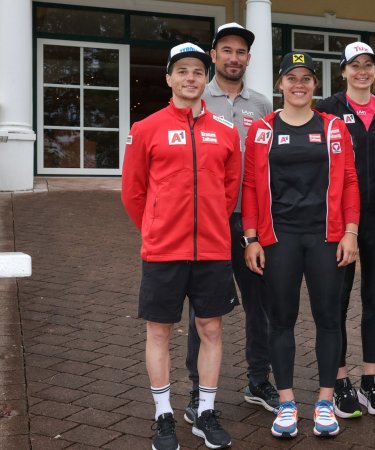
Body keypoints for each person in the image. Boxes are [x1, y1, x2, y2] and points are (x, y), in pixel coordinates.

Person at [121, 42, 240, 450]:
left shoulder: (225, 132)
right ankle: (163, 415)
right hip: (163, 251)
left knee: (211, 328)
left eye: (198, 71)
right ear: (169, 78)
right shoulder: (146, 129)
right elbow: (133, 193)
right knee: (160, 332)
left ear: (206, 79)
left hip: (212, 250)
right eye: (183, 71)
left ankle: (204, 411)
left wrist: (208, 226)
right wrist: (157, 228)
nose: (191, 78)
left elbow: (229, 191)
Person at [241, 51, 360, 439]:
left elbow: (350, 181)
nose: (298, 84)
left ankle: (325, 402)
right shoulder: (262, 129)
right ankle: (288, 402)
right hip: (279, 239)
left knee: (329, 319)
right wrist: (251, 238)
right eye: (291, 78)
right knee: (282, 321)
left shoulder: (333, 127)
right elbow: (251, 186)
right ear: (280, 84)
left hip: (326, 238)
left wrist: (351, 233)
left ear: (314, 85)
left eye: (306, 78)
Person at [183, 22, 276, 425]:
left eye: (241, 52)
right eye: (226, 51)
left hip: (251, 221)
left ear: (248, 59)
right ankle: (195, 390)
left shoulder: (262, 104)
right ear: (214, 55)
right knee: (202, 309)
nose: (234, 58)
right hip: (207, 220)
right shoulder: (196, 98)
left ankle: (258, 381)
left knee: (261, 305)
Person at [316, 41, 375, 418]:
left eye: (368, 65)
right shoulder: (327, 111)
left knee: (373, 299)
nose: (362, 71)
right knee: (337, 300)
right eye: (355, 65)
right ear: (343, 70)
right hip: (338, 220)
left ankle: (370, 378)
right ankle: (339, 380)